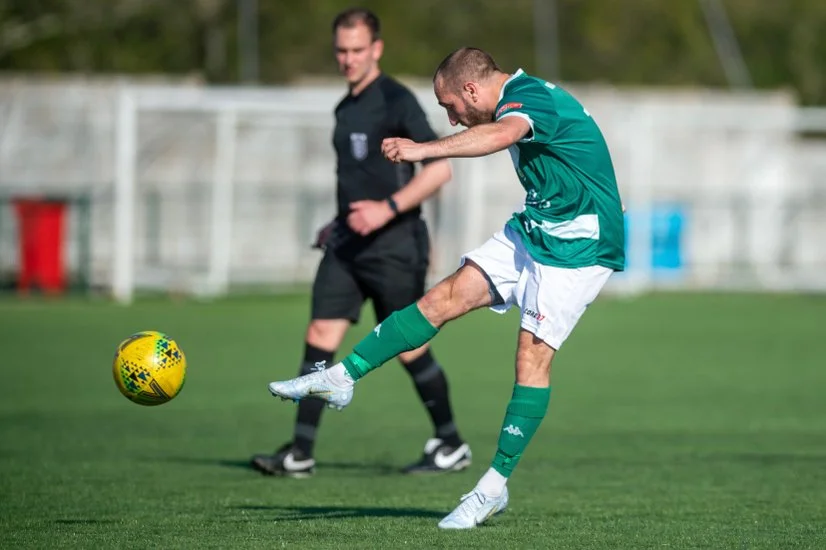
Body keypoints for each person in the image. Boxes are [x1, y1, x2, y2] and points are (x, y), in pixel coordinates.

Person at [268, 46, 625, 528]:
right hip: (538, 226)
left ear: (472, 89)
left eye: (451, 107)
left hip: (580, 243)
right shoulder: (516, 96)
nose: (453, 119)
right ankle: (342, 377)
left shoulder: (528, 100)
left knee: (530, 358)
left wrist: (423, 149)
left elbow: (500, 134)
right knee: (441, 298)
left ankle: (492, 487)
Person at [250, 9, 472, 478]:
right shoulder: (344, 107)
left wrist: (385, 210)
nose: (348, 59)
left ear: (377, 49)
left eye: (357, 50)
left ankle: (450, 443)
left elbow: (439, 169)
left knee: (410, 348)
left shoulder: (396, 100)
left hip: (395, 245)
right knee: (319, 337)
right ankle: (301, 452)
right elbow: (358, 178)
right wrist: (339, 222)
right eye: (341, 50)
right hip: (348, 246)